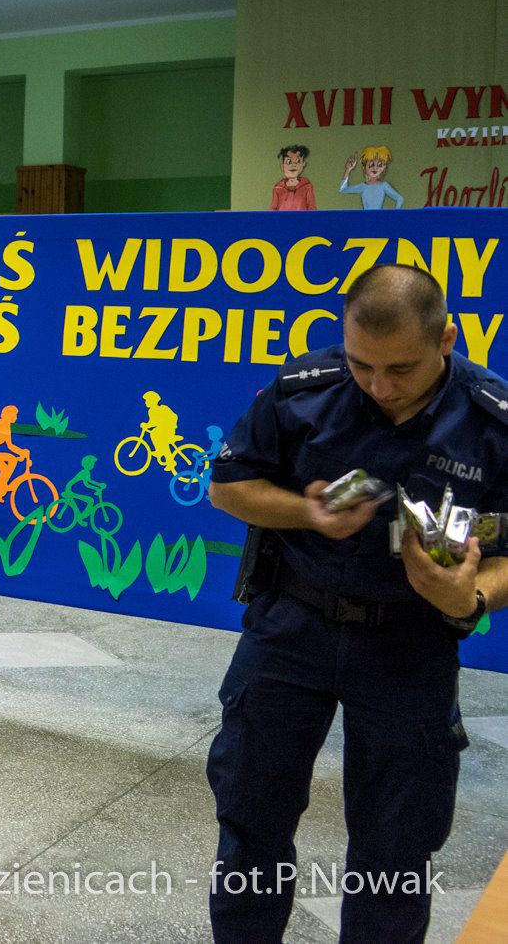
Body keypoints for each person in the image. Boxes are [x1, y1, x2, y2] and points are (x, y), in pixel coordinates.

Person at [206, 263, 508, 943]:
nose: (379, 386)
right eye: (361, 364)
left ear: (446, 339)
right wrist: (305, 512)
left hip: (409, 643)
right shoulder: (304, 390)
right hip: (291, 625)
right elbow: (227, 487)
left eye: (400, 368)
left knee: (395, 846)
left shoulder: (493, 420)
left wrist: (471, 593)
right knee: (250, 818)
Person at [340, 145, 405, 209]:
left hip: (378, 216)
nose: (375, 168)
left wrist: (395, 214)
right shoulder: (363, 186)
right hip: (365, 216)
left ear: (384, 167)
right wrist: (348, 170)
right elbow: (343, 189)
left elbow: (400, 199)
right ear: (364, 166)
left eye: (379, 165)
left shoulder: (384, 186)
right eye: (371, 164)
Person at [141, 390, 181, 472]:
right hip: (161, 430)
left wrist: (147, 425)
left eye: (147, 400)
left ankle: (170, 462)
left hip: (169, 430)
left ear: (153, 401)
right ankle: (159, 451)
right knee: (154, 433)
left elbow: (173, 417)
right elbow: (152, 422)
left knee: (158, 435)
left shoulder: (163, 408)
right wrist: (146, 425)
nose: (145, 402)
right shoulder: (151, 411)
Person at [270, 144, 317, 210]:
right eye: (289, 162)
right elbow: (273, 209)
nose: (293, 165)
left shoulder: (307, 187)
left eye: (298, 161)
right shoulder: (278, 188)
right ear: (282, 166)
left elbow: (311, 208)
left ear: (303, 164)